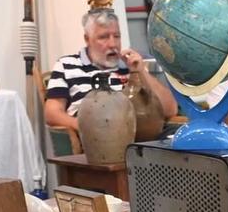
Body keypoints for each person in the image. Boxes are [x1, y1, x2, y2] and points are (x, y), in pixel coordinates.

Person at [42, 8, 174, 144]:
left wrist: (140, 71)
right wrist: (84, 128)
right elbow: (52, 113)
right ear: (87, 39)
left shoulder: (130, 66)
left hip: (142, 137)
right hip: (100, 140)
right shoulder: (67, 65)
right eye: (103, 37)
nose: (113, 44)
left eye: (116, 36)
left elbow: (170, 109)